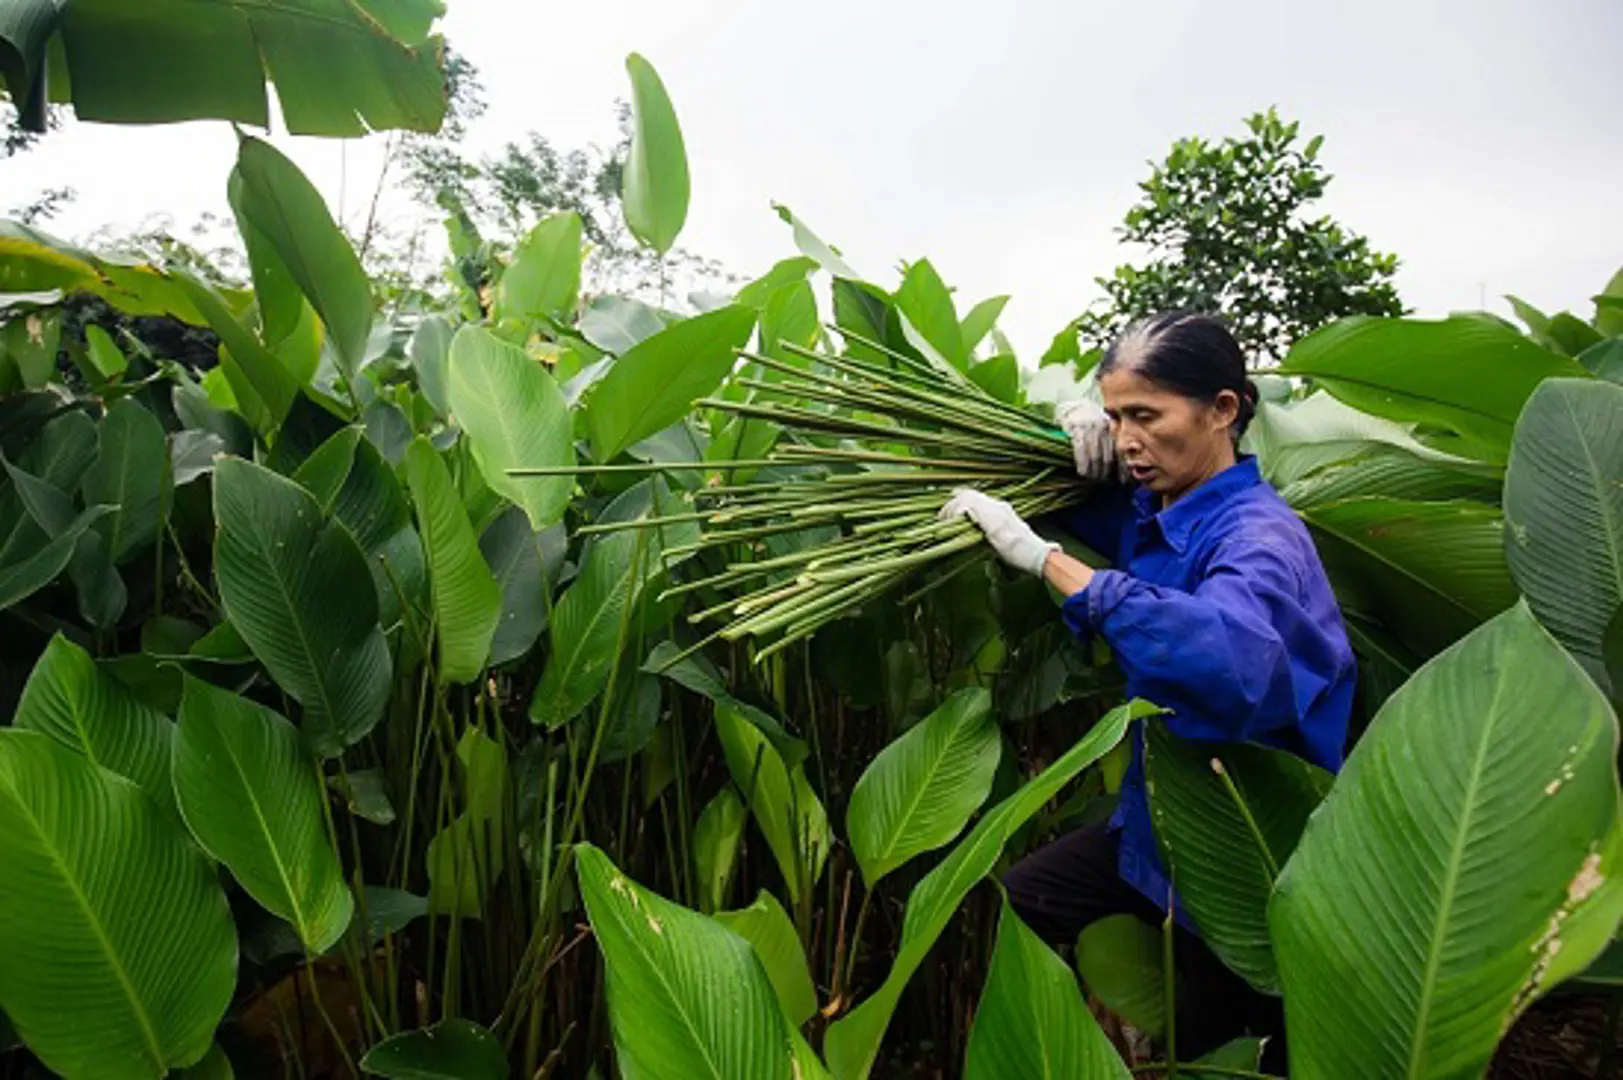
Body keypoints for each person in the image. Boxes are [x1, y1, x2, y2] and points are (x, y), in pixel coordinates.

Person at [940, 311, 1356, 1067]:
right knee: (1024, 895)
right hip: (1156, 826)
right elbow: (1092, 503)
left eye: (1144, 417)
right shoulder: (1160, 504)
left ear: (1222, 410)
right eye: (1113, 417)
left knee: (1231, 1044)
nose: (1127, 441)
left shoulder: (1256, 537)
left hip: (1245, 844)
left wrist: (1048, 563)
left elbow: (1229, 659)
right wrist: (1063, 438)